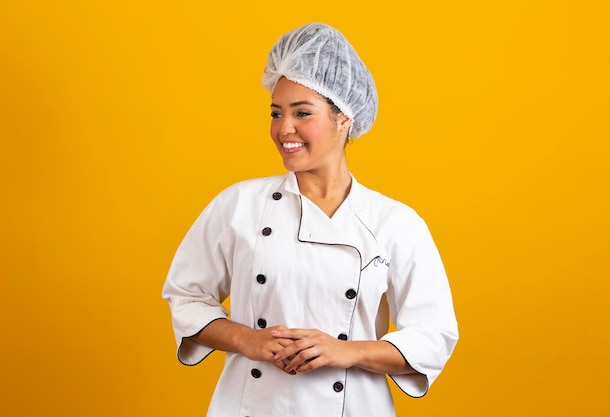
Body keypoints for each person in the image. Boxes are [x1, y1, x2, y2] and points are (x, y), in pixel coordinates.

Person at [162, 22, 458, 417]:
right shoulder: (239, 205)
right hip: (250, 407)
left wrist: (345, 350)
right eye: (276, 112)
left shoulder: (395, 223)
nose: (285, 129)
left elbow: (434, 336)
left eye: (303, 113)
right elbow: (186, 296)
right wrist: (247, 339)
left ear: (344, 119)